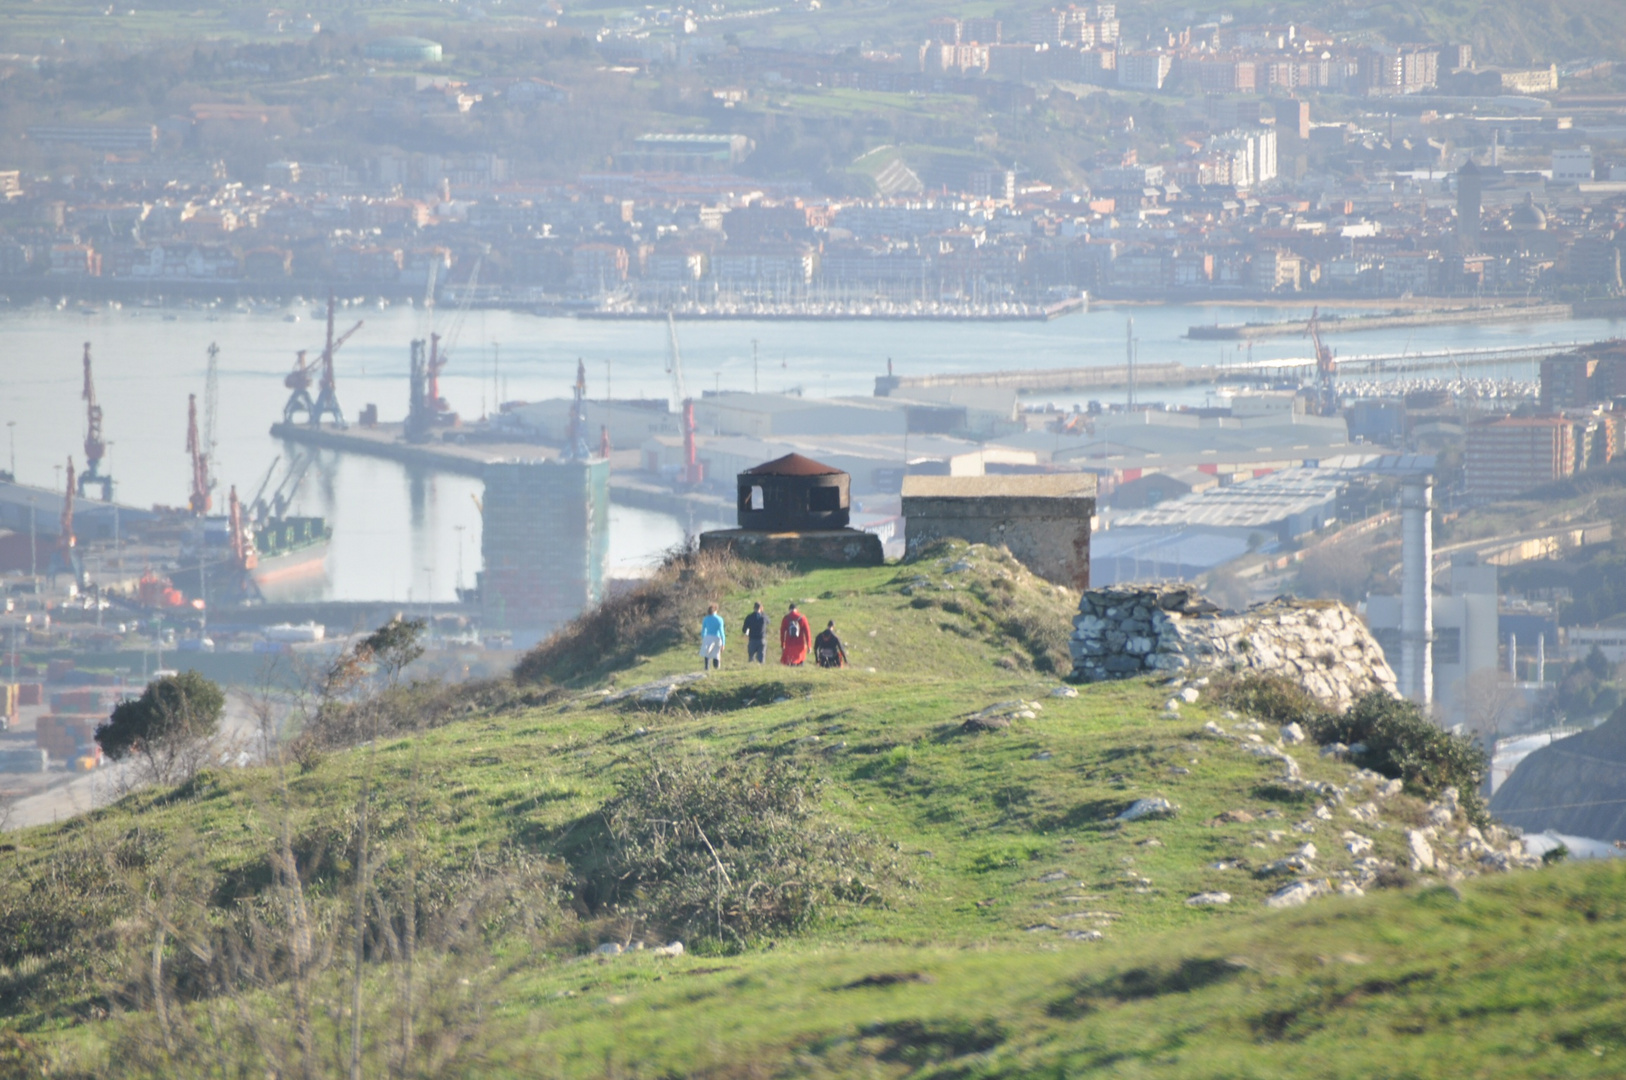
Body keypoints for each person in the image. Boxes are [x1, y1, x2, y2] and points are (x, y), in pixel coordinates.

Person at [780, 601, 811, 666]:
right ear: (797, 609)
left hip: (789, 645)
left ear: (789, 610)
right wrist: (809, 646)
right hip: (800, 645)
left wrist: (783, 645)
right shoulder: (802, 618)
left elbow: (782, 633)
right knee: (800, 662)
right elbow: (807, 632)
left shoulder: (786, 618)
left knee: (790, 663)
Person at [700, 603, 726, 671]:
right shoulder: (719, 619)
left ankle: (706, 667)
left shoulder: (706, 619)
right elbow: (721, 632)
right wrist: (723, 643)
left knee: (707, 654)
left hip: (708, 637)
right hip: (717, 638)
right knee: (716, 654)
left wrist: (703, 638)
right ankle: (716, 668)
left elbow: (703, 630)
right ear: (716, 610)